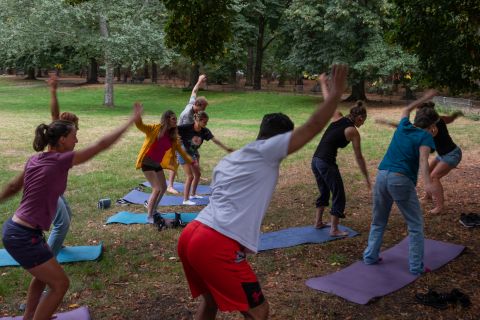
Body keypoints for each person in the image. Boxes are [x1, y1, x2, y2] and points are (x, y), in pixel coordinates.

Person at [177, 64, 349, 320]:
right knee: (259, 311)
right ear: (280, 139)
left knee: (211, 301)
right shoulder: (267, 152)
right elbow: (312, 126)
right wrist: (334, 96)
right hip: (216, 244)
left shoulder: (235, 158)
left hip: (192, 235)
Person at [0, 103, 142, 320]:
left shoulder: (35, 159)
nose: (77, 140)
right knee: (60, 284)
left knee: (43, 277)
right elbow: (101, 145)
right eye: (74, 136)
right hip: (23, 236)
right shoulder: (61, 160)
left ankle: (29, 316)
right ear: (62, 139)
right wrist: (130, 121)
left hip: (18, 230)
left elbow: (11, 188)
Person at [363, 90, 440, 275]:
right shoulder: (425, 137)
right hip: (400, 179)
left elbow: (407, 108)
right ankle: (416, 267)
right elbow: (423, 160)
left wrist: (424, 97)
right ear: (431, 125)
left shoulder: (405, 125)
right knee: (415, 225)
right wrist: (428, 183)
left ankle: (370, 256)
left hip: (382, 175)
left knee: (378, 221)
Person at [311, 73, 371, 236]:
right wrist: (366, 178)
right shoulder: (353, 131)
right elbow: (359, 158)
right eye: (363, 120)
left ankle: (318, 222)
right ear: (359, 118)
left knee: (325, 191)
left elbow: (328, 101)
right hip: (325, 162)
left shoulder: (337, 117)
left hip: (315, 159)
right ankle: (334, 229)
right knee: (339, 193)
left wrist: (323, 82)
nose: (363, 124)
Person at [135, 109, 192, 222]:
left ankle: (154, 210)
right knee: (157, 188)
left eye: (176, 118)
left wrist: (190, 161)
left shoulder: (172, 136)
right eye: (173, 118)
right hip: (147, 162)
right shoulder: (155, 129)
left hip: (156, 164)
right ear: (167, 119)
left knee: (164, 187)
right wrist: (138, 115)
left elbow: (180, 150)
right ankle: (150, 216)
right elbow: (140, 125)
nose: (176, 120)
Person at [46, 74, 79, 256]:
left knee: (66, 214)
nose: (77, 134)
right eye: (76, 128)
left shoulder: (65, 140)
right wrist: (53, 91)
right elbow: (54, 114)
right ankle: (47, 260)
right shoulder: (57, 137)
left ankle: (57, 244)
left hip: (54, 186)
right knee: (62, 222)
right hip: (47, 186)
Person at [177, 111, 234, 205]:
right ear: (198, 120)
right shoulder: (186, 128)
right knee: (190, 176)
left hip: (192, 153)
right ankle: (185, 199)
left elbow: (215, 140)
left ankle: (193, 194)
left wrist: (226, 148)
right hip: (183, 153)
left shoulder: (204, 131)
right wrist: (176, 139)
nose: (206, 124)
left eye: (206, 122)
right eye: (204, 122)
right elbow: (172, 130)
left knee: (198, 174)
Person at [167, 74, 208, 194]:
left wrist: (199, 80)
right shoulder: (187, 116)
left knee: (197, 155)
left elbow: (194, 91)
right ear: (198, 106)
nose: (203, 111)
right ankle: (170, 185)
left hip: (186, 138)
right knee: (176, 161)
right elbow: (180, 130)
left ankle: (196, 174)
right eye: (203, 109)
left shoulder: (192, 104)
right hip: (178, 138)